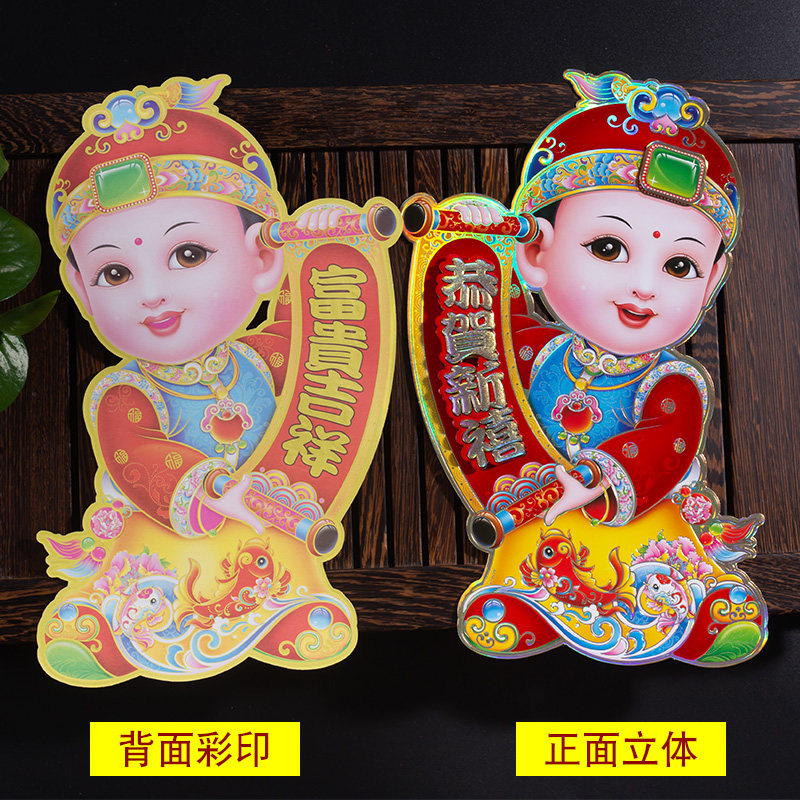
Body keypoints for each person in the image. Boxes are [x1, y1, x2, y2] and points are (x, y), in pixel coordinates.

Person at [37, 75, 361, 684]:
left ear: (263, 258)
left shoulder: (260, 360)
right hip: (163, 543)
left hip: (268, 535)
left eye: (188, 255)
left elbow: (321, 333)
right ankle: (109, 634)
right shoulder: (127, 395)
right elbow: (136, 454)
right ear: (80, 289)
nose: (152, 293)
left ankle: (287, 616)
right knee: (139, 603)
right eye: (115, 274)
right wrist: (208, 487)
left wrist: (325, 248)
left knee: (283, 580)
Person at [455, 70, 767, 666]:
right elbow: (482, 315)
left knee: (669, 588)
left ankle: (701, 617)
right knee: (528, 572)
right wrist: (474, 236)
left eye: (679, 266)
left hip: (638, 518)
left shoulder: (671, 383)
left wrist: (598, 476)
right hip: (542, 511)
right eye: (608, 248)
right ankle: (523, 610)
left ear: (712, 284)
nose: (644, 286)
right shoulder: (537, 350)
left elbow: (667, 442)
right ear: (534, 252)